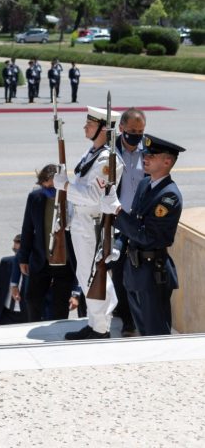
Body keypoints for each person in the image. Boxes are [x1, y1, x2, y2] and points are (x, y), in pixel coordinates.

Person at [100, 135, 183, 337]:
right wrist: (117, 246)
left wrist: (117, 211)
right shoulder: (145, 184)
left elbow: (147, 236)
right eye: (145, 154)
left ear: (167, 161)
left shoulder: (169, 196)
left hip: (153, 273)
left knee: (156, 334)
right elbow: (133, 222)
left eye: (151, 156)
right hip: (135, 271)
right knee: (143, 333)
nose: (145, 158)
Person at [55, 105, 123, 340]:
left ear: (103, 129)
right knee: (86, 274)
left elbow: (93, 196)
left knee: (93, 274)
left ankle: (101, 327)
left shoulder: (108, 160)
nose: (85, 127)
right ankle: (96, 323)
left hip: (92, 224)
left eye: (90, 124)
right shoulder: (92, 153)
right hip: (81, 221)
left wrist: (65, 186)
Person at [18, 165, 74, 322]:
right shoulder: (35, 198)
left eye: (52, 187)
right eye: (46, 187)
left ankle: (59, 331)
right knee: (32, 299)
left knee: (60, 304)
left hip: (65, 261)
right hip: (42, 259)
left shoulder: (71, 198)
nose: (49, 191)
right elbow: (27, 228)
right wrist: (23, 258)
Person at [113, 107, 147, 336]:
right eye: (132, 130)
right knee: (118, 273)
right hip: (117, 221)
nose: (136, 135)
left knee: (141, 272)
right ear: (121, 127)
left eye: (140, 131)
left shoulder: (150, 150)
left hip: (142, 222)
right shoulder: (110, 151)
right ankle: (126, 319)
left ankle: (139, 315)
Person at [0, 234, 27, 325]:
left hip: (25, 316)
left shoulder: (32, 267)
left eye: (19, 252)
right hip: (6, 314)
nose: (17, 255)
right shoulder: (6, 263)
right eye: (14, 250)